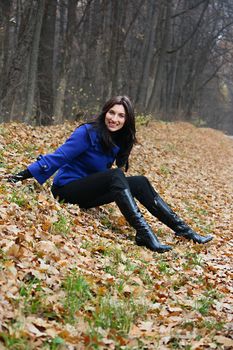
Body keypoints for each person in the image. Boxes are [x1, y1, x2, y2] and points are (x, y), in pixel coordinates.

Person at [8, 96, 213, 253]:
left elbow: (120, 175)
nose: (114, 119)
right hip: (67, 190)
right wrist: (20, 175)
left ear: (127, 119)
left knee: (140, 182)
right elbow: (58, 157)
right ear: (105, 112)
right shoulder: (87, 132)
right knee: (115, 175)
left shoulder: (119, 138)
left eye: (121, 115)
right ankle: (143, 232)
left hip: (90, 193)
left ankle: (185, 231)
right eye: (112, 113)